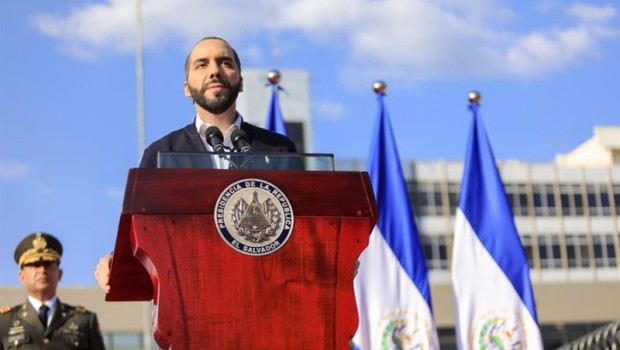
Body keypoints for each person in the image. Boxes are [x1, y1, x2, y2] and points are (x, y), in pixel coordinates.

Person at [95, 36, 298, 292]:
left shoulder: (278, 149)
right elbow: (140, 233)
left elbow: (302, 228)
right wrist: (116, 259)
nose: (214, 70)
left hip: (266, 292)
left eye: (225, 62)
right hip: (189, 299)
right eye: (202, 65)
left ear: (241, 82)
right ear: (187, 88)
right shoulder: (161, 154)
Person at [1, 232, 106, 350]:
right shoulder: (4, 321)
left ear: (60, 274)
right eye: (35, 264)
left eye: (48, 264)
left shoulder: (84, 320)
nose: (42, 270)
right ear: (22, 276)